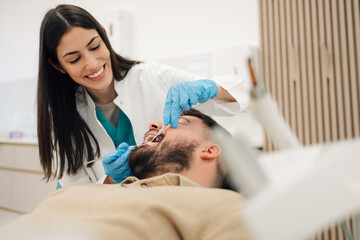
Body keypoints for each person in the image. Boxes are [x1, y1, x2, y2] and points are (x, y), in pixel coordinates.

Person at [38, 4, 250, 188]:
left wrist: (210, 87)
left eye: (95, 46)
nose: (92, 63)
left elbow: (245, 94)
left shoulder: (150, 76)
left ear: (104, 36)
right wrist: (111, 181)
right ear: (58, 66)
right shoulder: (62, 116)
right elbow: (75, 191)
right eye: (74, 59)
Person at [0, 109, 253, 240]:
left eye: (180, 123)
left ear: (210, 149)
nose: (154, 125)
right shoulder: (97, 191)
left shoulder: (226, 207)